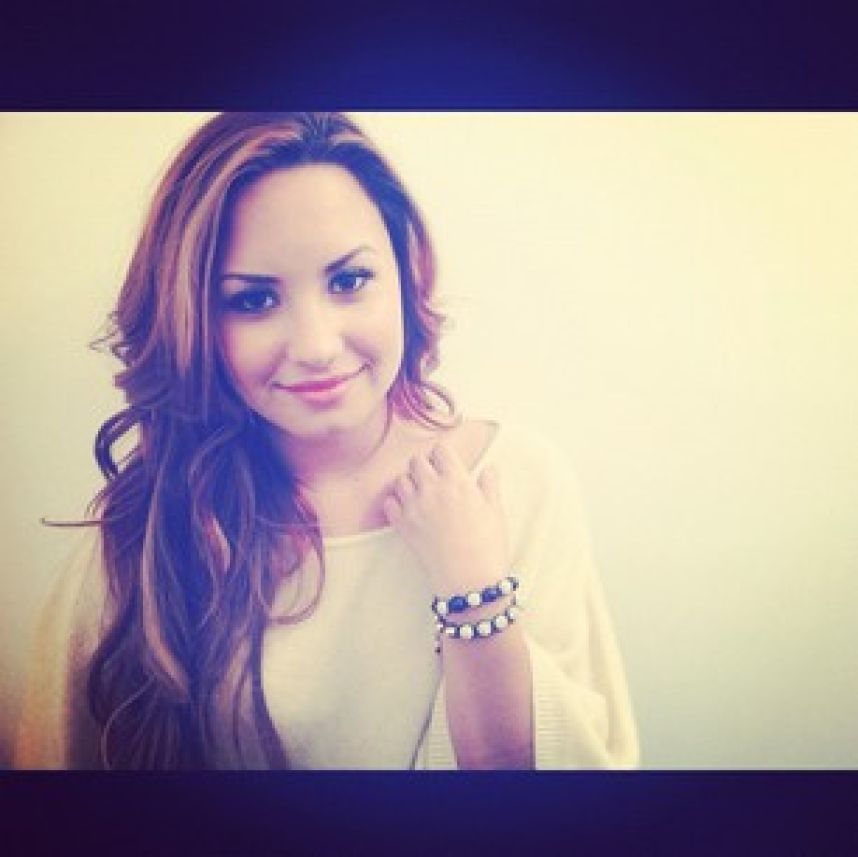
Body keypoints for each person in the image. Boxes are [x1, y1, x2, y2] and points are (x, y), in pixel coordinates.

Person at [14, 112, 639, 770]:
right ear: (193, 319)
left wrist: (474, 586)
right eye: (253, 301)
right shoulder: (147, 533)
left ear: (407, 272)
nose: (315, 346)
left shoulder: (516, 481)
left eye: (348, 281)